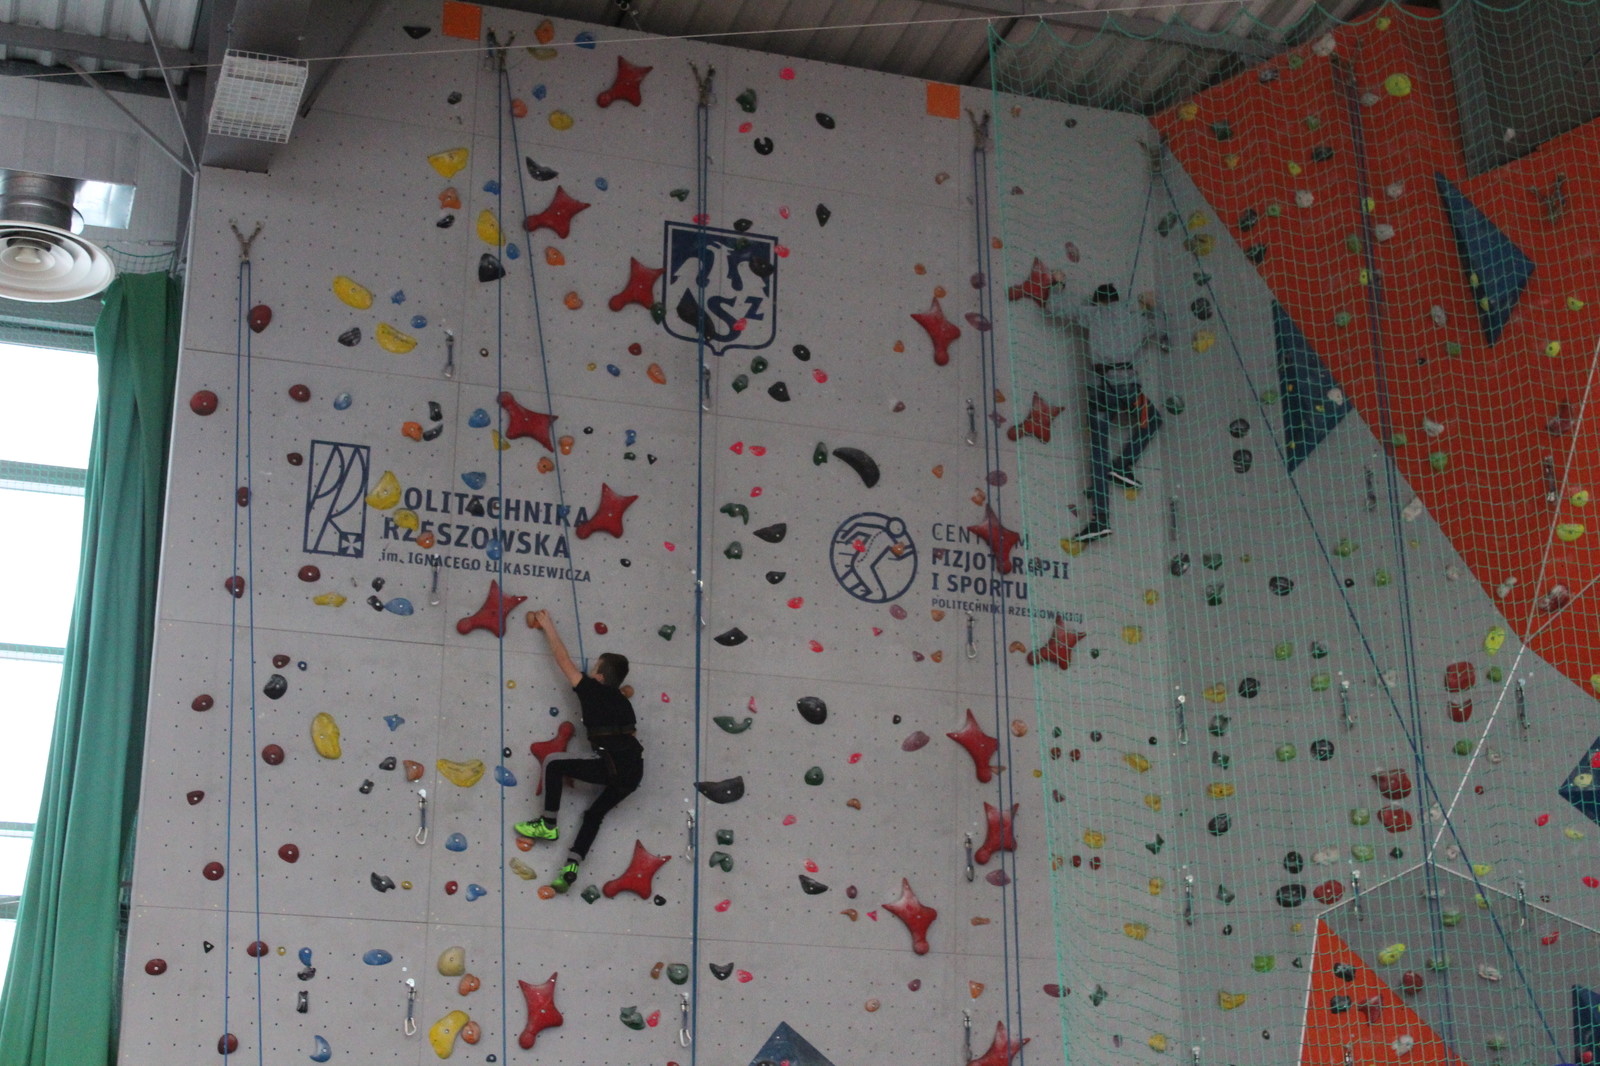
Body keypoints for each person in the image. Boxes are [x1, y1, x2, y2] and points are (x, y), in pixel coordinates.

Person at [515, 610, 642, 893]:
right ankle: (571, 867)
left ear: (600, 676)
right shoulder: (624, 703)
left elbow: (563, 660)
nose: (589, 671)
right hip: (633, 772)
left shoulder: (591, 689)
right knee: (594, 815)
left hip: (610, 764)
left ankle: (548, 824)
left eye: (595, 668)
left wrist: (547, 625)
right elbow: (631, 735)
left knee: (553, 762)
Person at [1042, 278, 1165, 542]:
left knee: (1098, 453)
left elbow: (1053, 306)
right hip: (1129, 389)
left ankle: (1100, 519)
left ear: (1098, 301)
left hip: (1101, 389)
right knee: (1153, 420)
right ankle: (1123, 463)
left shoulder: (1094, 314)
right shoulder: (1136, 318)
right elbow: (1162, 330)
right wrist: (1152, 306)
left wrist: (1058, 285)